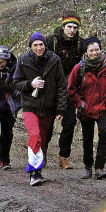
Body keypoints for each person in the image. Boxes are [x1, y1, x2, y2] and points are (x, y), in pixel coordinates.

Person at [13, 32, 68, 186]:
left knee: (43, 140)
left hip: (48, 108)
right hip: (30, 106)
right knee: (35, 135)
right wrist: (31, 84)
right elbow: (16, 83)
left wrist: (60, 109)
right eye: (35, 45)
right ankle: (33, 172)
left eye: (41, 44)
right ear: (30, 47)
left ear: (45, 45)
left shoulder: (54, 60)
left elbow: (62, 86)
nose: (38, 48)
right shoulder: (23, 61)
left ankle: (38, 172)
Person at [67, 37, 106, 179]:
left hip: (104, 108)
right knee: (87, 138)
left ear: (100, 49)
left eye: (97, 49)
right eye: (91, 50)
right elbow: (71, 89)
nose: (95, 53)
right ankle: (87, 168)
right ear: (86, 51)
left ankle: (99, 168)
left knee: (104, 135)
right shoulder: (79, 68)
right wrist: (80, 104)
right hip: (86, 109)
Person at [46, 13, 83, 170]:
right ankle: (42, 153)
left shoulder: (81, 44)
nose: (72, 30)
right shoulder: (50, 41)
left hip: (69, 91)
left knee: (69, 123)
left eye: (75, 27)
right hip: (51, 90)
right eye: (69, 27)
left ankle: (63, 157)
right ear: (63, 26)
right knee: (47, 124)